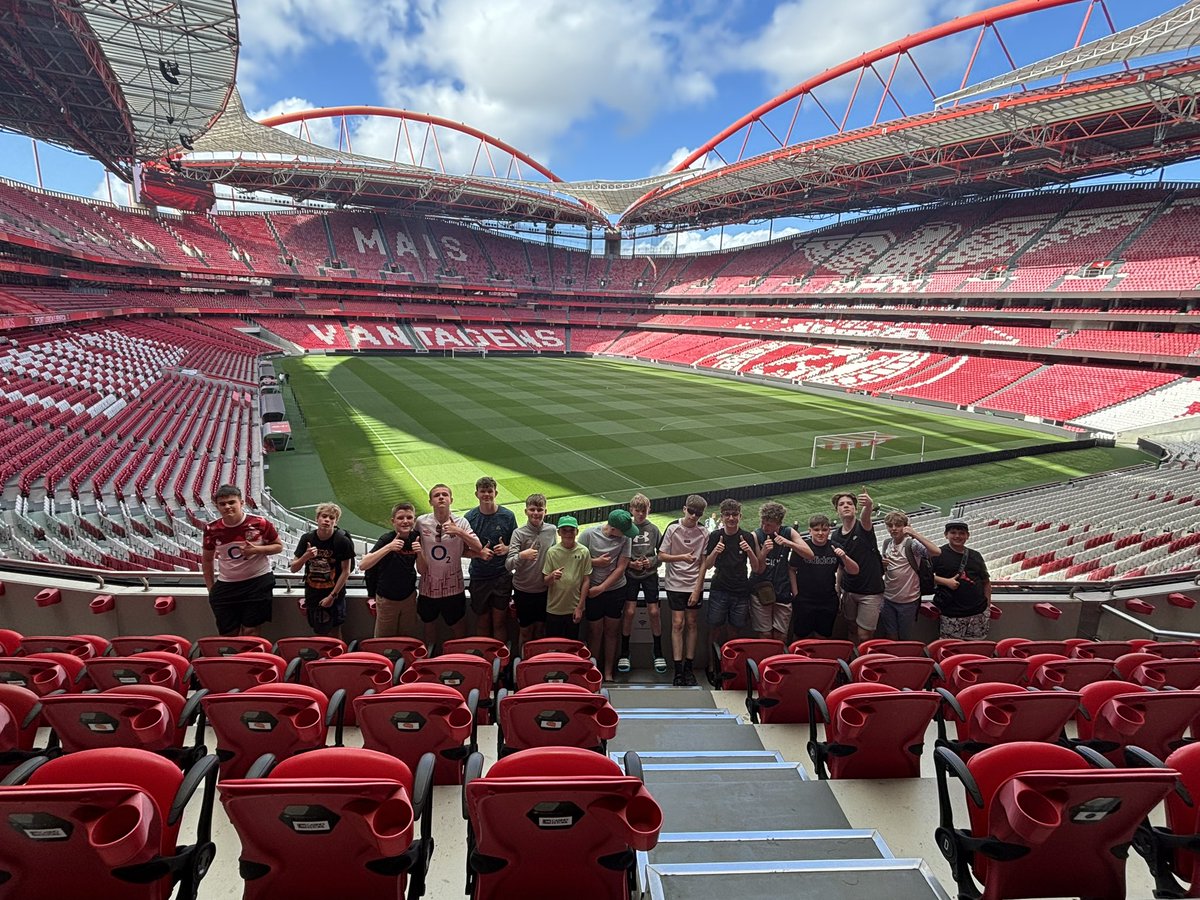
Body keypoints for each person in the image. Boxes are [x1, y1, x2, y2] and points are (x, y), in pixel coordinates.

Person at [202, 484, 283, 637]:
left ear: (241, 503)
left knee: (250, 631)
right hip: (227, 584)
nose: (227, 507)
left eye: (232, 502)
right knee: (228, 633)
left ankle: (251, 660)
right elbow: (207, 561)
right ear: (216, 506)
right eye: (222, 504)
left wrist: (257, 550)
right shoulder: (211, 529)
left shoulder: (260, 523)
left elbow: (278, 547)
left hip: (257, 581)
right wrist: (211, 590)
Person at [692, 498, 759, 676]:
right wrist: (716, 550)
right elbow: (707, 566)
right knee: (714, 629)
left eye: (734, 515)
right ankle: (712, 665)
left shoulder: (747, 536)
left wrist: (749, 551)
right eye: (727, 515)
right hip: (719, 589)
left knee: (735, 631)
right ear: (722, 517)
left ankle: (730, 667)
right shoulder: (715, 536)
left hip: (741, 591)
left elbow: (757, 566)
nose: (731, 518)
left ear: (740, 516)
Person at [415, 483, 482, 648]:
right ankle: (431, 660)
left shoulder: (461, 522)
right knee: (429, 626)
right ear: (430, 501)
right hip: (428, 587)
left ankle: (459, 659)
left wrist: (458, 531)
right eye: (437, 495)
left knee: (458, 626)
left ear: (451, 499)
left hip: (454, 587)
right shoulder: (421, 522)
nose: (441, 498)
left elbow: (478, 547)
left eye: (445, 494)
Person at [579, 509, 638, 681]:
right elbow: (575, 557)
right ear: (613, 529)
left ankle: (609, 671)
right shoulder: (589, 535)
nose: (626, 535)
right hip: (592, 589)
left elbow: (621, 567)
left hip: (615, 590)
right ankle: (593, 669)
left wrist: (602, 588)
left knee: (612, 631)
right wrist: (596, 562)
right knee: (594, 631)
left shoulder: (626, 538)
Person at [659, 495, 708, 686]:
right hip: (674, 584)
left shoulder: (703, 532)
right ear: (684, 509)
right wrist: (681, 557)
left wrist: (698, 588)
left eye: (698, 513)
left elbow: (704, 562)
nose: (694, 516)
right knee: (677, 624)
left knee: (692, 623)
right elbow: (661, 555)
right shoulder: (673, 528)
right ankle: (678, 669)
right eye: (691, 511)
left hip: (693, 583)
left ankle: (689, 667)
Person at [289, 502, 355, 639]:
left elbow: (346, 571)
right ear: (317, 518)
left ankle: (336, 659)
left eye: (332, 518)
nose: (327, 520)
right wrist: (305, 557)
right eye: (324, 516)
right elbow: (294, 568)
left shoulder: (342, 541)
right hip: (313, 591)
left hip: (333, 592)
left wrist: (332, 596)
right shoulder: (307, 539)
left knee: (335, 630)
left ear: (336, 522)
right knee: (318, 629)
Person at [464, 476, 518, 640]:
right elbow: (462, 550)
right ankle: (485, 660)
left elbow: (516, 546)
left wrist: (506, 549)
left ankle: (500, 662)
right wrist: (479, 554)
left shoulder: (507, 516)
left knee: (500, 622)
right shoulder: (470, 518)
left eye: (489, 491)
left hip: (501, 576)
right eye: (483, 491)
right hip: (479, 576)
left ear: (496, 493)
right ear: (476, 494)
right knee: (482, 621)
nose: (486, 494)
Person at [361, 501, 424, 639]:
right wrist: (389, 547)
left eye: (409, 517)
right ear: (393, 521)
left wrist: (420, 553)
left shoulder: (416, 538)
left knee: (408, 639)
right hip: (387, 599)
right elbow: (363, 564)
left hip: (409, 597)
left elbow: (422, 571)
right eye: (400, 518)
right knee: (384, 641)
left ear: (414, 520)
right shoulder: (386, 539)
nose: (405, 521)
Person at [830, 489, 886, 644]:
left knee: (865, 635)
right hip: (849, 590)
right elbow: (841, 567)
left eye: (849, 504)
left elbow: (866, 517)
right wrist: (839, 588)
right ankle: (854, 661)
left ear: (855, 508)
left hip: (870, 590)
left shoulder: (863, 527)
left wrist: (868, 506)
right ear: (837, 511)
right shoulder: (835, 536)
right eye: (841, 504)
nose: (846, 506)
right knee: (851, 628)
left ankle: (864, 661)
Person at [789, 514, 857, 639]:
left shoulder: (835, 547)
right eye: (816, 530)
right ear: (810, 531)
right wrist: (796, 593)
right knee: (800, 637)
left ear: (829, 531)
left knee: (823, 637)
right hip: (804, 599)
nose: (820, 533)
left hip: (827, 600)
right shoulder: (802, 548)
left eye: (824, 530)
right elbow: (792, 569)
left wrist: (844, 557)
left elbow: (854, 570)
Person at [619, 493, 665, 675]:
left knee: (654, 611)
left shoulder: (653, 529)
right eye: (637, 510)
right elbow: (619, 555)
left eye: (643, 510)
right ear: (631, 510)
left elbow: (661, 555)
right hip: (630, 574)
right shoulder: (626, 530)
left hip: (649, 574)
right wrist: (631, 564)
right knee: (629, 611)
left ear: (648, 510)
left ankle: (658, 650)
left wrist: (650, 562)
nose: (640, 514)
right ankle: (624, 651)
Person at [505, 493, 558, 651]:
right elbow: (508, 564)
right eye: (532, 509)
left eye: (539, 509)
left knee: (540, 631)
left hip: (544, 590)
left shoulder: (551, 530)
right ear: (526, 511)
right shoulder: (519, 533)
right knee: (526, 631)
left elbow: (555, 555)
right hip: (524, 591)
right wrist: (522, 555)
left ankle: (537, 665)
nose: (536, 513)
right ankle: (523, 664)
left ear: (545, 511)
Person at [878, 512, 941, 640]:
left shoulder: (912, 544)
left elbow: (936, 552)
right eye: (890, 525)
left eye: (898, 525)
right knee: (890, 634)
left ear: (905, 527)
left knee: (904, 637)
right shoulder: (887, 543)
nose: (894, 528)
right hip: (888, 598)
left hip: (908, 601)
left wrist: (914, 534)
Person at [748, 502, 802, 642]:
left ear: (778, 524)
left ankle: (777, 663)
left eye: (769, 524)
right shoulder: (756, 535)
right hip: (761, 590)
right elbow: (758, 569)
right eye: (763, 522)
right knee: (765, 635)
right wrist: (764, 552)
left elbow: (809, 554)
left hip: (782, 589)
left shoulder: (788, 532)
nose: (764, 527)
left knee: (781, 636)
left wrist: (789, 543)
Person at [932, 518, 992, 640]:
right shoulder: (938, 554)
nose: (957, 536)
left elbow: (986, 581)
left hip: (978, 613)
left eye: (961, 533)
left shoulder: (975, 555)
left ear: (967, 536)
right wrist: (946, 582)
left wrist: (987, 608)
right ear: (946, 535)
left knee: (976, 651)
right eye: (953, 532)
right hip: (952, 614)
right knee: (951, 651)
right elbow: (925, 576)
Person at [542, 516, 592, 639]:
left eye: (571, 530)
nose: (568, 534)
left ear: (577, 532)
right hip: (554, 608)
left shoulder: (583, 551)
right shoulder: (552, 552)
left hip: (574, 608)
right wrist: (552, 576)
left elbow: (586, 580)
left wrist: (580, 607)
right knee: (553, 645)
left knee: (572, 646)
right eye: (565, 530)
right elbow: (545, 581)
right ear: (559, 532)